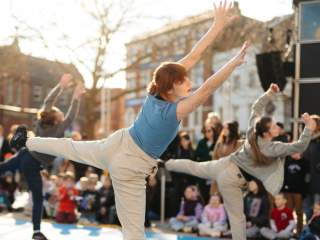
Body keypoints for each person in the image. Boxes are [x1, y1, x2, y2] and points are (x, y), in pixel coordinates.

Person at [11, 2, 247, 239]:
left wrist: (216, 27)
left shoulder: (155, 91)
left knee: (69, 147)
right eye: (185, 80)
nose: (190, 83)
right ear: (173, 84)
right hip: (131, 167)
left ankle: (27, 141)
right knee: (134, 233)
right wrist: (233, 62)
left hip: (117, 143)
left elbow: (194, 56)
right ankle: (29, 141)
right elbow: (207, 88)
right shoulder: (173, 111)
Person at [165, 83, 317, 239]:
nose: (276, 128)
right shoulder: (273, 148)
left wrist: (269, 93)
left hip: (226, 164)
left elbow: (256, 108)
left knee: (194, 167)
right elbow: (299, 146)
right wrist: (309, 128)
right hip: (232, 179)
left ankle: (165, 164)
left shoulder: (252, 131)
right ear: (266, 133)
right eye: (272, 127)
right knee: (238, 219)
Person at [0, 74, 84, 240]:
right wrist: (75, 98)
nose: (62, 115)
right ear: (57, 118)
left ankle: (37, 232)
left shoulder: (40, 124)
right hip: (33, 164)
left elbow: (48, 101)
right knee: (38, 198)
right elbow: (71, 116)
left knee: (2, 167)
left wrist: (60, 86)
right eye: (60, 114)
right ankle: (36, 232)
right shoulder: (58, 130)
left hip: (23, 155)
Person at [211, 121, 243, 194]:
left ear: (231, 129)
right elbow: (214, 158)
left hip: (232, 177)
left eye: (226, 128)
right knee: (216, 200)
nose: (224, 129)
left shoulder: (239, 143)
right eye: (223, 128)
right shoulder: (220, 143)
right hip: (219, 176)